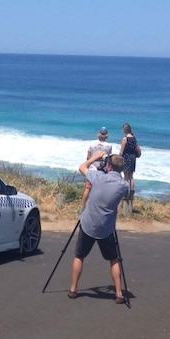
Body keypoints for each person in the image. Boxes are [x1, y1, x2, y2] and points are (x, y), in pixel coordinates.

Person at [68, 151, 130, 304]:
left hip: (88, 223)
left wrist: (96, 157)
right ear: (121, 169)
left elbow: (82, 167)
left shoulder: (98, 177)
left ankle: (73, 289)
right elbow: (122, 181)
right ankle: (118, 293)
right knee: (114, 259)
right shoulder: (123, 186)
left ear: (108, 166)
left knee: (79, 256)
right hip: (106, 228)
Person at [118, 123, 140, 200]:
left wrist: (119, 158)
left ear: (125, 130)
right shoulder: (134, 138)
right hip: (133, 158)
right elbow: (137, 148)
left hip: (126, 158)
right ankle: (132, 192)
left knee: (126, 176)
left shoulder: (125, 139)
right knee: (131, 176)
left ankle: (126, 192)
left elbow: (122, 151)